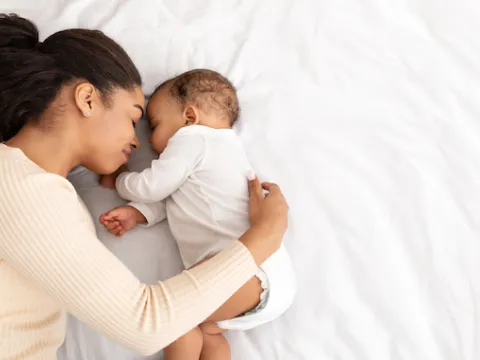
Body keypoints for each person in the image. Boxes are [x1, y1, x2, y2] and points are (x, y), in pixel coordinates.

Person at [0, 14, 289, 360]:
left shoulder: (38, 189)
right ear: (88, 98)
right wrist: (266, 235)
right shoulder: (20, 187)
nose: (139, 143)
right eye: (134, 118)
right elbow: (145, 323)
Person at [99, 69, 296, 360]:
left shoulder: (193, 140)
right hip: (270, 277)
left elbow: (153, 186)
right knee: (207, 333)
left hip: (249, 272)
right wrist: (138, 214)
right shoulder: (225, 152)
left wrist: (120, 178)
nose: (150, 140)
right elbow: (178, 200)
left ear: (189, 117)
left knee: (176, 318)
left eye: (154, 125)